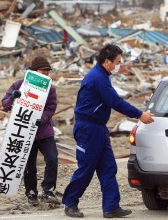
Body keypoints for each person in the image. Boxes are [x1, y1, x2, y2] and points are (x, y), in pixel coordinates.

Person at [62, 44, 154, 218]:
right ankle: (70, 203)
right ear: (107, 61)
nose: (119, 65)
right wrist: (140, 114)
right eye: (117, 62)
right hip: (88, 129)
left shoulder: (102, 76)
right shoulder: (97, 78)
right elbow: (115, 102)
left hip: (98, 128)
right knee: (86, 168)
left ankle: (111, 207)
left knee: (108, 167)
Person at [1, 56, 59, 206]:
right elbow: (5, 104)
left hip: (44, 132)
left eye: (47, 71)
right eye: (42, 71)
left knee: (52, 159)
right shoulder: (20, 85)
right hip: (25, 132)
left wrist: (44, 118)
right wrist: (13, 97)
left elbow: (51, 107)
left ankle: (48, 190)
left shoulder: (50, 89)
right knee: (29, 165)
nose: (45, 74)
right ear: (33, 71)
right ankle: (31, 193)